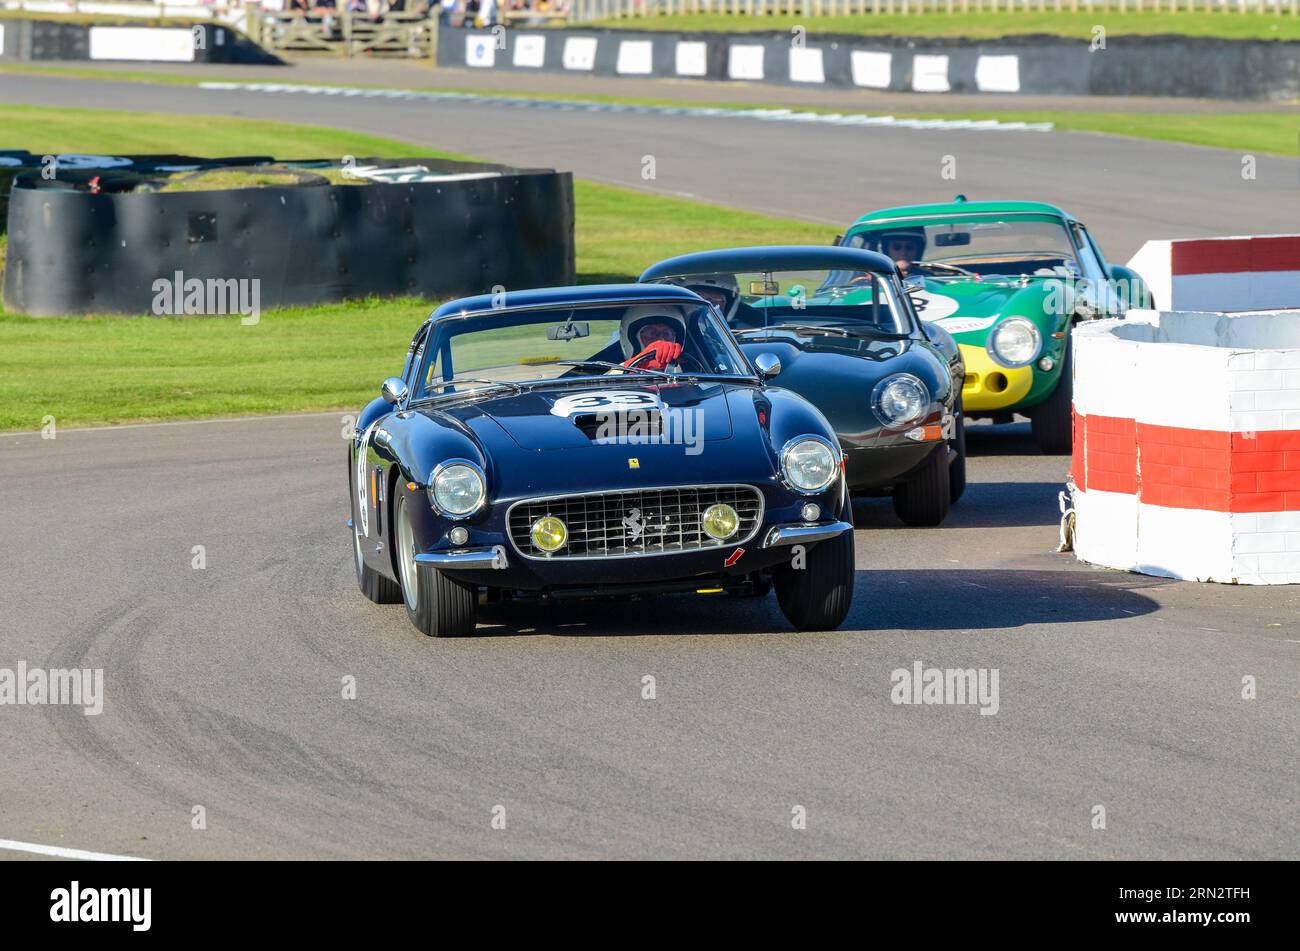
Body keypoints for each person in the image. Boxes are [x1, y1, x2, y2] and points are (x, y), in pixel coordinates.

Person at [619, 306, 686, 372]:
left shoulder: (690, 371)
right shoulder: (614, 370)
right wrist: (637, 364)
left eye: (667, 334)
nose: (661, 340)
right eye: (652, 333)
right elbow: (611, 377)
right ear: (633, 339)